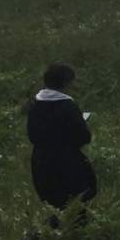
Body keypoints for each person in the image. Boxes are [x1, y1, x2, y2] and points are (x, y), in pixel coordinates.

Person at [27, 63, 96, 223]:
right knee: (76, 204)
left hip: (40, 162)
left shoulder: (35, 104)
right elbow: (83, 137)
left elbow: (32, 135)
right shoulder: (68, 106)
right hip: (67, 163)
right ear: (66, 83)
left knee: (54, 204)